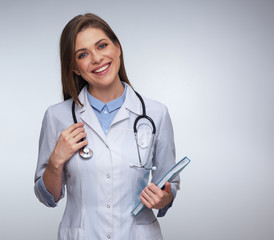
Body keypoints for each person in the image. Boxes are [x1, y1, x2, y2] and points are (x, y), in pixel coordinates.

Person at [34, 13, 180, 240]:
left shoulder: (155, 114)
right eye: (83, 54)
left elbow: (168, 185)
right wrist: (55, 161)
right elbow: (48, 198)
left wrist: (164, 198)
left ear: (118, 48)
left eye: (102, 46)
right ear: (74, 68)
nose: (97, 58)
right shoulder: (57, 117)